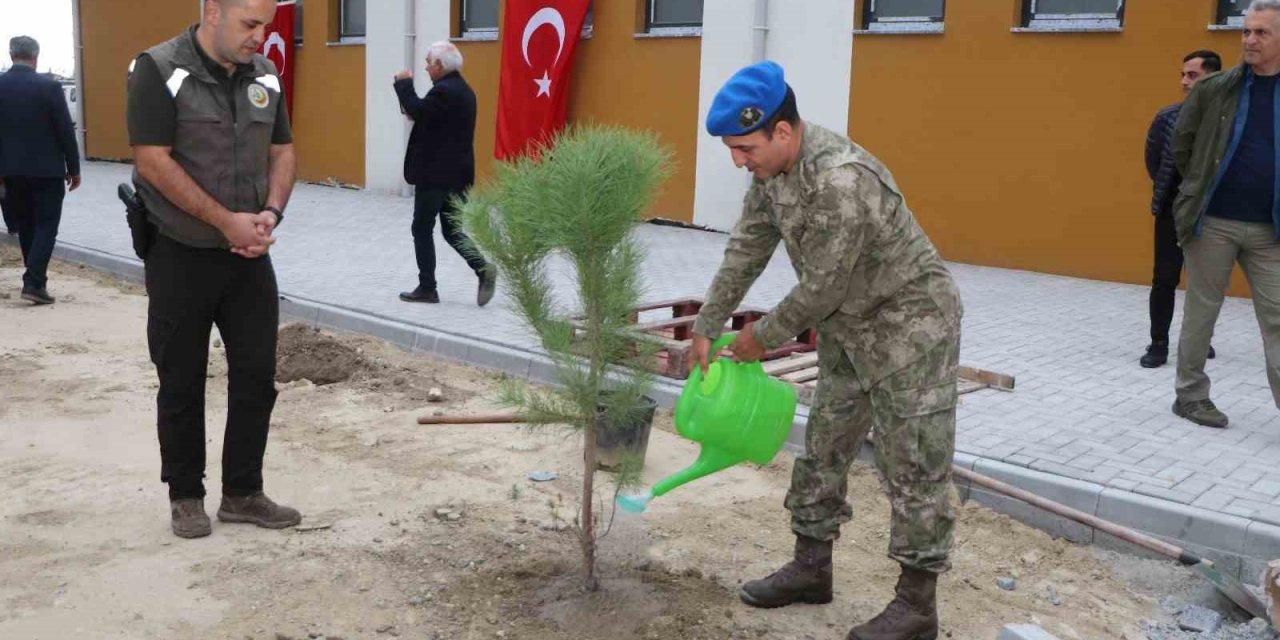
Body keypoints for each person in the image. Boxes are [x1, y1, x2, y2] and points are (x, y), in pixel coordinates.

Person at [689, 61, 963, 640]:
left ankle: (917, 606)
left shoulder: (843, 180)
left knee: (913, 465)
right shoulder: (770, 177)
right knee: (824, 447)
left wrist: (758, 338)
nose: (739, 161)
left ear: (782, 132)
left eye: (744, 147)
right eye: (732, 150)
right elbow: (746, 248)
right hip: (848, 328)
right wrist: (706, 325)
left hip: (910, 328)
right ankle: (812, 568)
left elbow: (823, 287)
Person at [126, 0, 301, 538]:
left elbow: (283, 151)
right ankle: (186, 496)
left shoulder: (265, 74)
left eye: (266, 26)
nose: (259, 37)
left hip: (249, 258)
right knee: (180, 378)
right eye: (250, 24)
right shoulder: (157, 69)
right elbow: (151, 159)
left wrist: (269, 215)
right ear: (212, 12)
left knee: (256, 377)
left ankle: (244, 493)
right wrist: (227, 222)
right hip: (180, 252)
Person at [1172, 0, 1280, 429]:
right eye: (1246, 31)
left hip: (1271, 228)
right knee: (1203, 313)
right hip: (1213, 221)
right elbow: (1183, 145)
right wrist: (1196, 188)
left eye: (1262, 33)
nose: (1250, 40)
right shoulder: (1217, 88)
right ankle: (1191, 396)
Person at [393, 41, 496, 306]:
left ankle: (428, 288)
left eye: (429, 62)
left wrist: (403, 84)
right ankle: (482, 269)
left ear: (440, 66)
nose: (426, 67)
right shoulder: (463, 91)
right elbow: (430, 118)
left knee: (422, 228)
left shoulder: (444, 92)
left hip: (436, 176)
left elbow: (417, 108)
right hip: (458, 175)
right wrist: (416, 111)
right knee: (452, 230)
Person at [1141, 49, 1222, 368]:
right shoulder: (1167, 117)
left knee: (1206, 282)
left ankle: (1201, 341)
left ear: (1212, 79)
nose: (1184, 82)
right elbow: (1154, 162)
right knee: (1164, 278)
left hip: (1213, 213)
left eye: (1193, 75)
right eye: (1183, 75)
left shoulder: (1226, 123)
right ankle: (1158, 343)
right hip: (1171, 211)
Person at [0, 36, 81, 304]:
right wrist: (74, 167)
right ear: (36, 57)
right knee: (46, 225)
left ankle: (35, 279)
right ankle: (34, 283)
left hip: (10, 172)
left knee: (25, 225)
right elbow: (65, 131)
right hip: (47, 171)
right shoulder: (49, 86)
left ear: (12, 55)